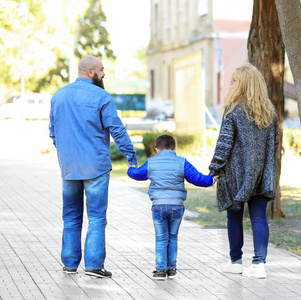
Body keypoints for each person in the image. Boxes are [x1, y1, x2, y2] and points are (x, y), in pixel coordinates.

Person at [49, 55, 137, 278]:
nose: (104, 73)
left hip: (69, 168)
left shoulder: (58, 96)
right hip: (95, 167)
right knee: (96, 217)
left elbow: (53, 132)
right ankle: (94, 266)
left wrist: (66, 154)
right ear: (90, 72)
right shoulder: (101, 96)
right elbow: (116, 128)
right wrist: (131, 157)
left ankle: (69, 264)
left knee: (70, 216)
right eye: (101, 69)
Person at [208, 64, 278, 279]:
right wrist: (265, 171)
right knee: (259, 218)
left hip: (236, 174)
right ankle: (259, 265)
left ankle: (236, 262)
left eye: (234, 80)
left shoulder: (233, 110)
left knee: (234, 218)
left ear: (244, 84)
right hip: (261, 174)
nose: (231, 84)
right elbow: (273, 146)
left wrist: (214, 169)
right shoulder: (270, 112)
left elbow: (224, 143)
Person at [127, 134, 215, 280]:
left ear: (156, 149)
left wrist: (131, 168)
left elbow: (137, 174)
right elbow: (197, 178)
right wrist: (211, 180)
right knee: (173, 237)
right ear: (174, 148)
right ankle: (171, 269)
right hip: (176, 206)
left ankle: (161, 271)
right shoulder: (182, 162)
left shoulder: (151, 162)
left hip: (158, 206)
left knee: (161, 238)